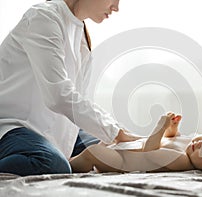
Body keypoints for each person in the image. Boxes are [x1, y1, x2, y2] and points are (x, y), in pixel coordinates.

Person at [0, 0, 140, 176]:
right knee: (50, 163)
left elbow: (75, 99)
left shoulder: (79, 32)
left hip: (57, 128)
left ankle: (67, 159)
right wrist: (115, 131)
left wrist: (118, 133)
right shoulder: (43, 17)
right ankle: (63, 160)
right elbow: (58, 96)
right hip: (13, 127)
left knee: (118, 151)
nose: (116, 7)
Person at [70, 113, 202, 174]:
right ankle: (70, 157)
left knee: (92, 153)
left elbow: (149, 151)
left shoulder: (181, 160)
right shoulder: (188, 146)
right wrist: (172, 129)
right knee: (112, 130)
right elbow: (170, 139)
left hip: (121, 161)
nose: (201, 144)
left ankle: (65, 167)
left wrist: (160, 127)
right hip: (127, 147)